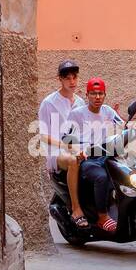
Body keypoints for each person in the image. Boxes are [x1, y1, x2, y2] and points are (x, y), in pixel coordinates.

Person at [64, 77, 136, 233]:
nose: (97, 97)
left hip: (106, 154)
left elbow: (123, 124)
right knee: (101, 177)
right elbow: (67, 138)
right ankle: (102, 217)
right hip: (87, 158)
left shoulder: (107, 110)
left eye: (100, 93)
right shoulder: (77, 114)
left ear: (105, 95)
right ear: (87, 95)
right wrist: (77, 151)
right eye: (93, 94)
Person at [37, 59, 88, 228]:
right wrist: (67, 146)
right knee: (73, 160)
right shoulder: (49, 103)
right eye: (67, 78)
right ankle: (76, 209)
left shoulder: (81, 103)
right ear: (60, 79)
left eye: (74, 77)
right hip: (56, 152)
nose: (72, 81)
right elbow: (43, 136)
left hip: (76, 148)